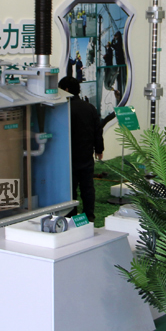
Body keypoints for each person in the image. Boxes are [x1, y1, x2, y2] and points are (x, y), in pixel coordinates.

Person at [58, 76, 103, 222]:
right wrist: (99, 149)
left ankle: (71, 216)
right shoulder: (89, 107)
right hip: (86, 154)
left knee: (70, 188)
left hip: (68, 155)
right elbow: (98, 130)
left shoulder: (63, 108)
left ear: (66, 90)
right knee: (87, 187)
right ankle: (89, 215)